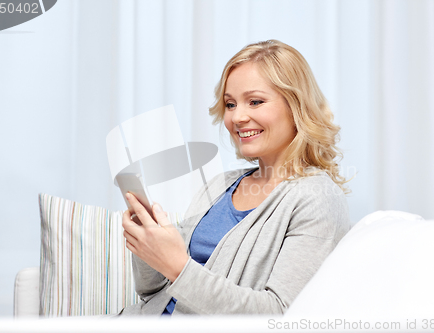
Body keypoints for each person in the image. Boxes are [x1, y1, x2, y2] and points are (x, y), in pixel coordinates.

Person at [120, 39, 350, 315]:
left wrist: (177, 266)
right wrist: (148, 245)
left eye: (255, 101)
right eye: (230, 104)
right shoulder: (221, 185)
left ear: (296, 106)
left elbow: (279, 315)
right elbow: (153, 292)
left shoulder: (317, 198)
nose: (238, 117)